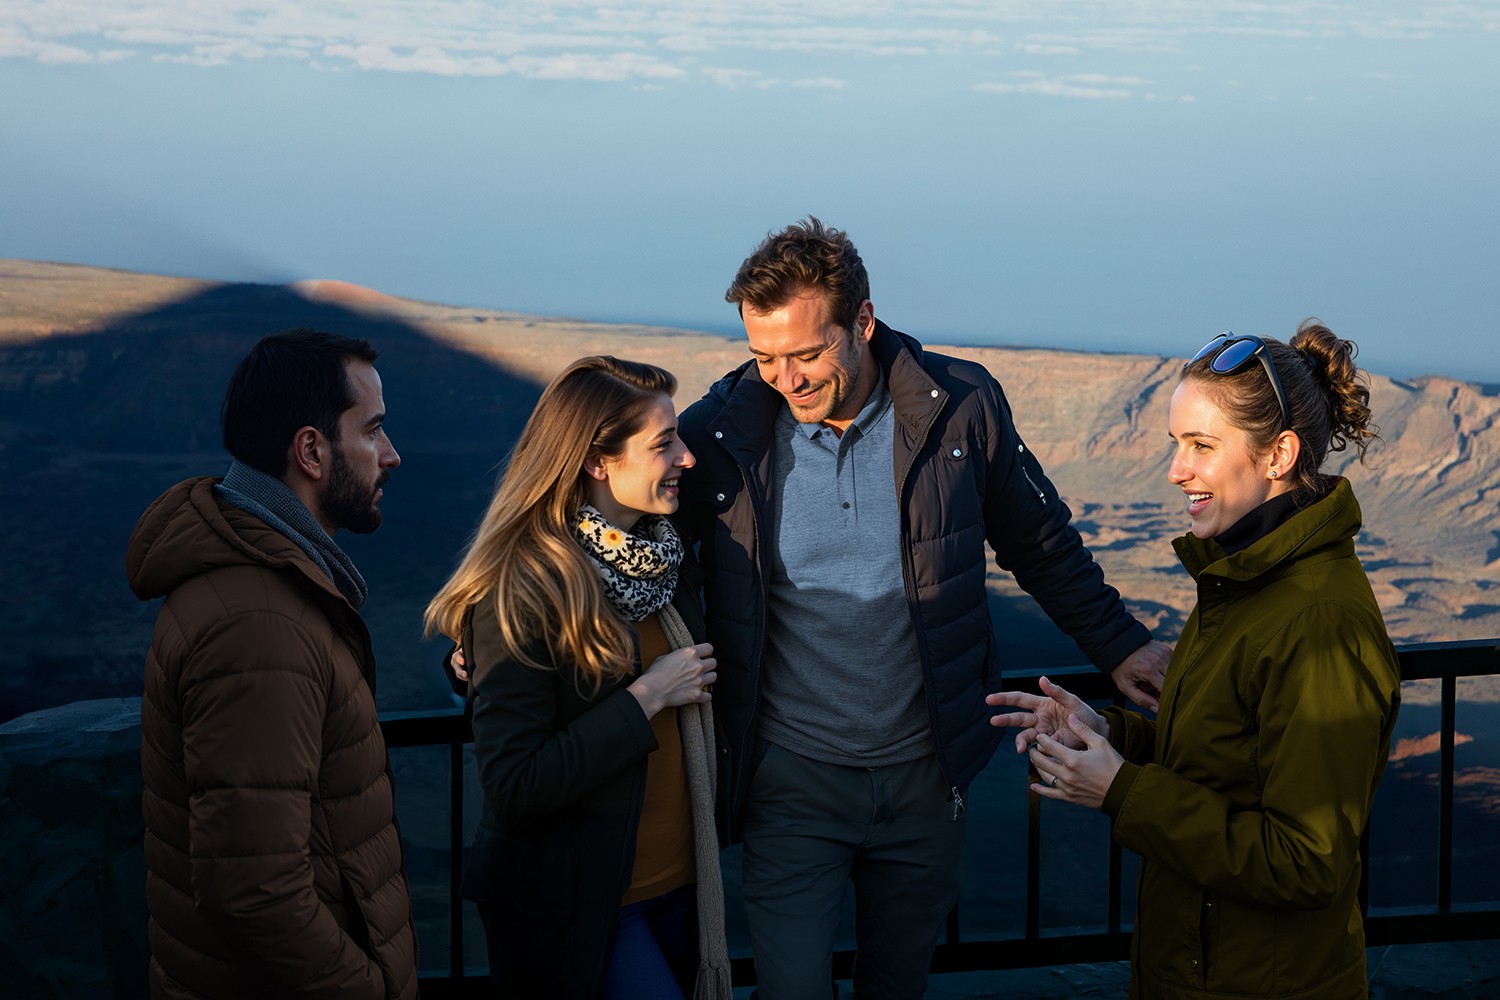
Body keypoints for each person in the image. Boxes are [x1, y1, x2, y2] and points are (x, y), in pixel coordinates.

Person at [672, 217, 1172, 998]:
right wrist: (493, 640)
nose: (787, 379)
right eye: (765, 357)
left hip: (924, 780)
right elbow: (623, 545)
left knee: (896, 986)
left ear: (862, 322)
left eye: (807, 354)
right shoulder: (721, 431)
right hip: (789, 783)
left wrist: (1121, 647)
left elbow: (1037, 540)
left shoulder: (960, 407)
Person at [989, 322, 1401, 998]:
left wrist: (1120, 790)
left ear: (1279, 454)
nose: (1177, 470)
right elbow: (1226, 762)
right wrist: (1106, 735)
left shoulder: (1318, 623)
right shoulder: (1243, 584)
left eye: (1202, 446)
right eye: (1177, 445)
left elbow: (1307, 862)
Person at [424, 356, 732, 1000]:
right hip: (583, 903)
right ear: (598, 462)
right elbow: (514, 782)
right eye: (663, 443)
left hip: (681, 886)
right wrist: (649, 695)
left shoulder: (664, 561)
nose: (687, 458)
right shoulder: (523, 589)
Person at [127, 329, 417, 999]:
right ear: (311, 451)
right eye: (372, 431)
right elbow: (254, 889)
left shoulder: (270, 590)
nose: (392, 456)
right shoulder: (258, 626)